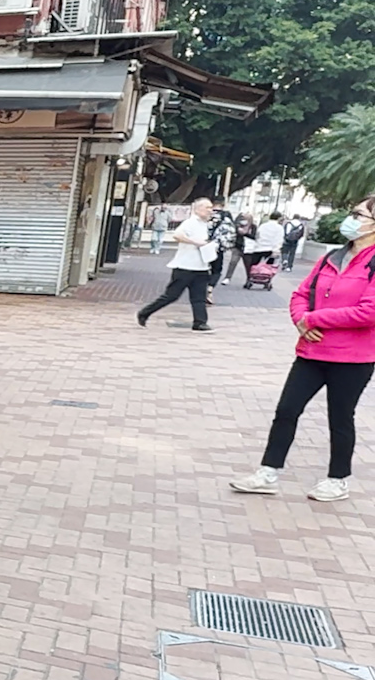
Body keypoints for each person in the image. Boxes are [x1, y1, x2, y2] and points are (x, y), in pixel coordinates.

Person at [230, 195, 375, 501]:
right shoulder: (332, 257)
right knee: (286, 410)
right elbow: (301, 294)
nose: (351, 219)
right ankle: (268, 472)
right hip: (312, 351)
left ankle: (337, 479)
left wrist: (315, 319)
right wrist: (300, 319)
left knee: (340, 417)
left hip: (352, 358)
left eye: (359, 215)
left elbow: (369, 311)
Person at [137, 197, 216, 331]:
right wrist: (195, 242)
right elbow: (177, 235)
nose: (210, 210)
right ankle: (144, 313)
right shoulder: (190, 223)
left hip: (201, 267)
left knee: (199, 297)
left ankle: (200, 322)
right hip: (184, 267)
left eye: (211, 208)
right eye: (207, 207)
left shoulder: (206, 225)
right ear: (197, 209)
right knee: (171, 295)